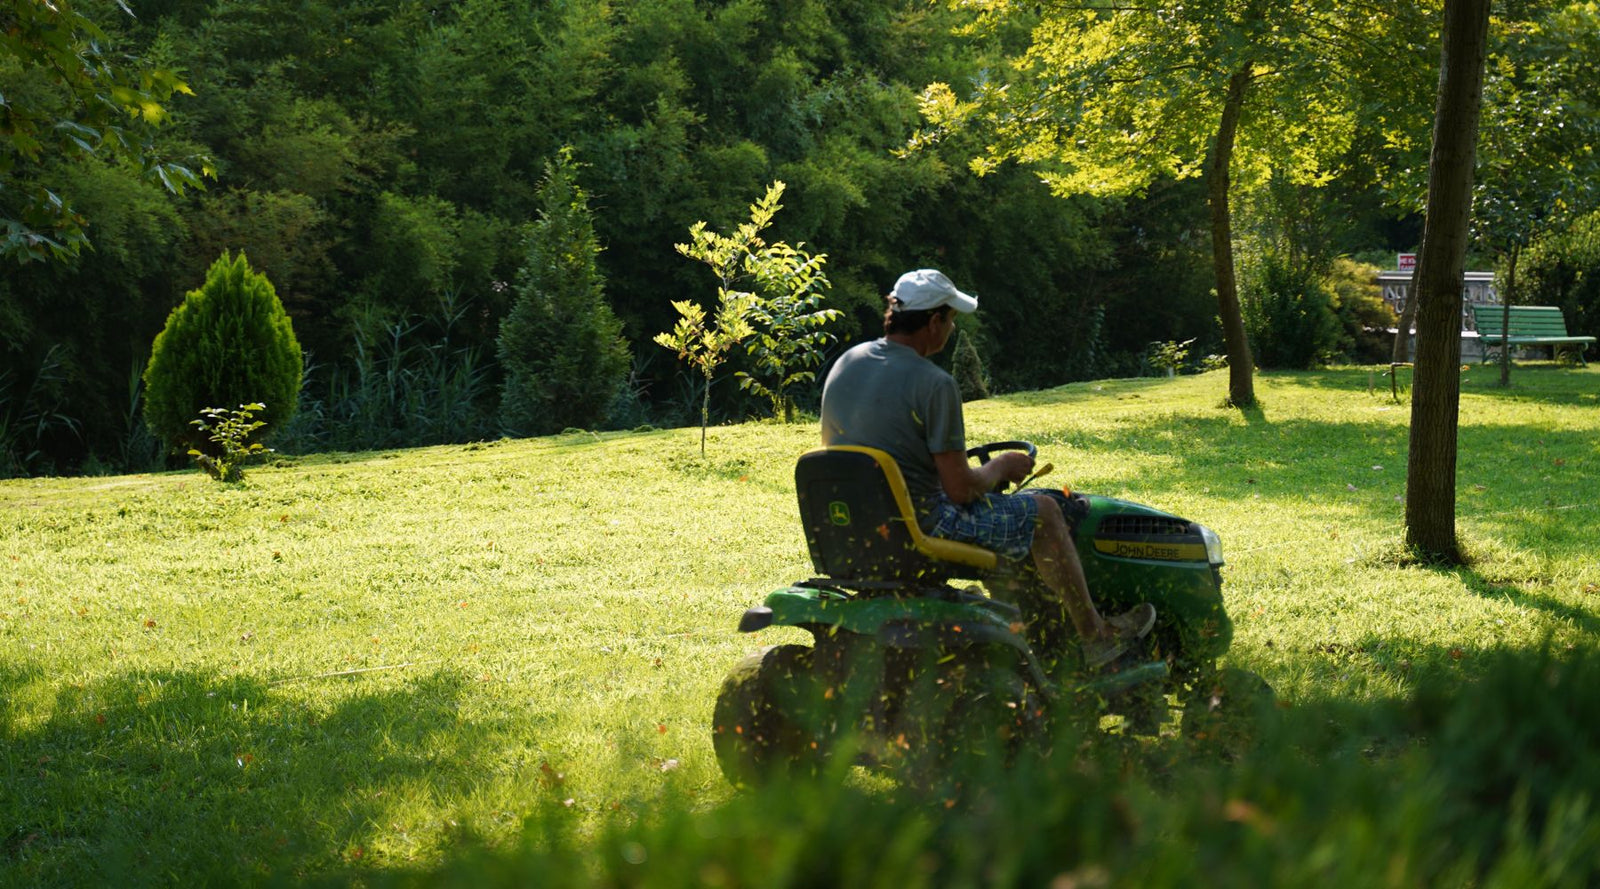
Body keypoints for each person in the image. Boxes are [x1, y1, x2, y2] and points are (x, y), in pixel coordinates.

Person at [819, 268, 1155, 669]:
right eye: (952, 319)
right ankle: (1096, 635)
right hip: (922, 526)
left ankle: (1027, 633)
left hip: (857, 526)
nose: (952, 328)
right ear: (933, 322)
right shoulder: (934, 383)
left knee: (1008, 514)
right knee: (1045, 512)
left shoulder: (846, 363)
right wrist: (1001, 466)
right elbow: (961, 490)